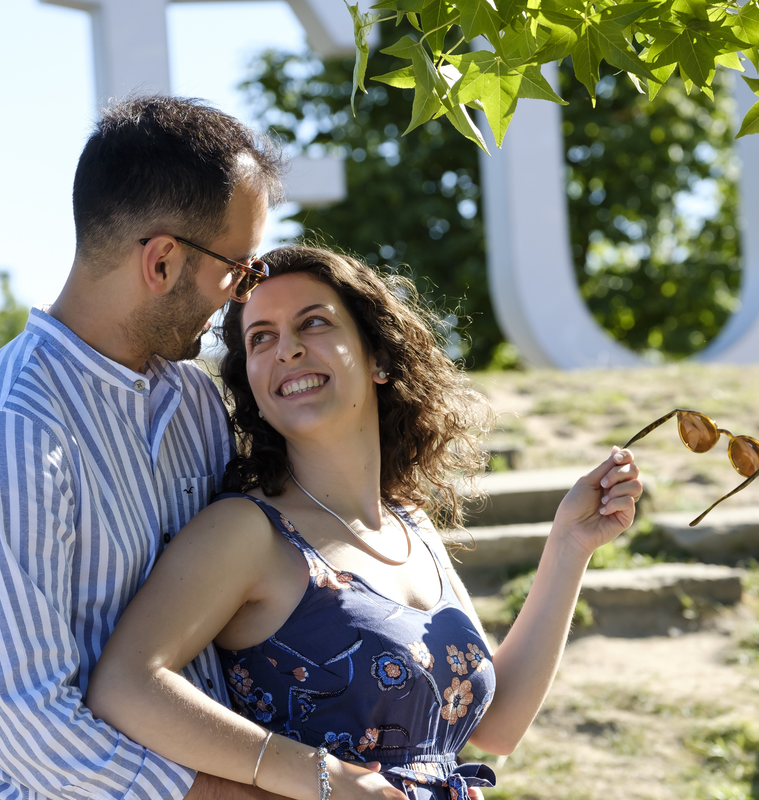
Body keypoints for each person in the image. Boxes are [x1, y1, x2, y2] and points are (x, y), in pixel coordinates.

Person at [84, 246, 643, 800]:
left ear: (378, 357)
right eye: (261, 338)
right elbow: (123, 684)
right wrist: (319, 776)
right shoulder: (246, 531)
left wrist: (570, 545)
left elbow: (495, 727)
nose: (288, 349)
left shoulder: (412, 525)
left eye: (313, 323)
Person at [0, 95, 290, 800]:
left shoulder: (196, 402)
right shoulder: (5, 434)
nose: (240, 295)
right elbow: (33, 729)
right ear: (162, 261)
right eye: (239, 269)